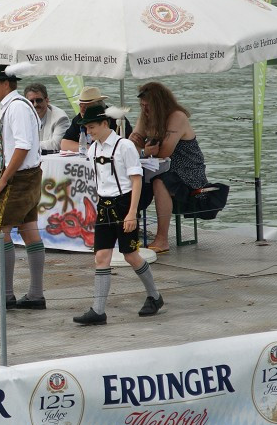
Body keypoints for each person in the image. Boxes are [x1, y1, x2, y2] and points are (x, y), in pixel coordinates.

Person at [73, 104, 164, 326]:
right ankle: (98, 310)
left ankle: (155, 296)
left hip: (124, 204)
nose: (88, 132)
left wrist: (132, 213)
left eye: (92, 127)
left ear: (105, 124)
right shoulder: (93, 149)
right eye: (86, 128)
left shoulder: (125, 147)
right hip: (103, 205)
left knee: (130, 255)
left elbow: (136, 180)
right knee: (101, 257)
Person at [0, 64, 46, 312]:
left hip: (20, 177)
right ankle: (36, 294)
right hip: (28, 174)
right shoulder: (16, 105)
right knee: (29, 230)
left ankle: (6, 294)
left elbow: (22, 146)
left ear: (7, 84)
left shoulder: (16, 107)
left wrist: (4, 178)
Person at [129, 82, 209, 253]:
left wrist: (142, 149)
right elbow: (130, 147)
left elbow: (164, 151)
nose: (145, 110)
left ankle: (162, 239)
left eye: (148, 106)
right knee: (131, 178)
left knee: (160, 183)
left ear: (158, 104)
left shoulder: (177, 117)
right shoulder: (144, 117)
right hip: (159, 167)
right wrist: (144, 150)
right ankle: (128, 232)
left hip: (188, 172)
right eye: (142, 106)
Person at [59, 86, 132, 152]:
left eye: (86, 107)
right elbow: (64, 144)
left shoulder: (116, 119)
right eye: (81, 106)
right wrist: (92, 149)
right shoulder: (79, 119)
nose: (82, 110)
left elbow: (128, 143)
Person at [23, 82, 70, 152]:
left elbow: (56, 144)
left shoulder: (60, 118)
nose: (35, 104)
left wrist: (25, 146)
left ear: (47, 100)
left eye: (39, 100)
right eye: (31, 101)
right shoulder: (21, 117)